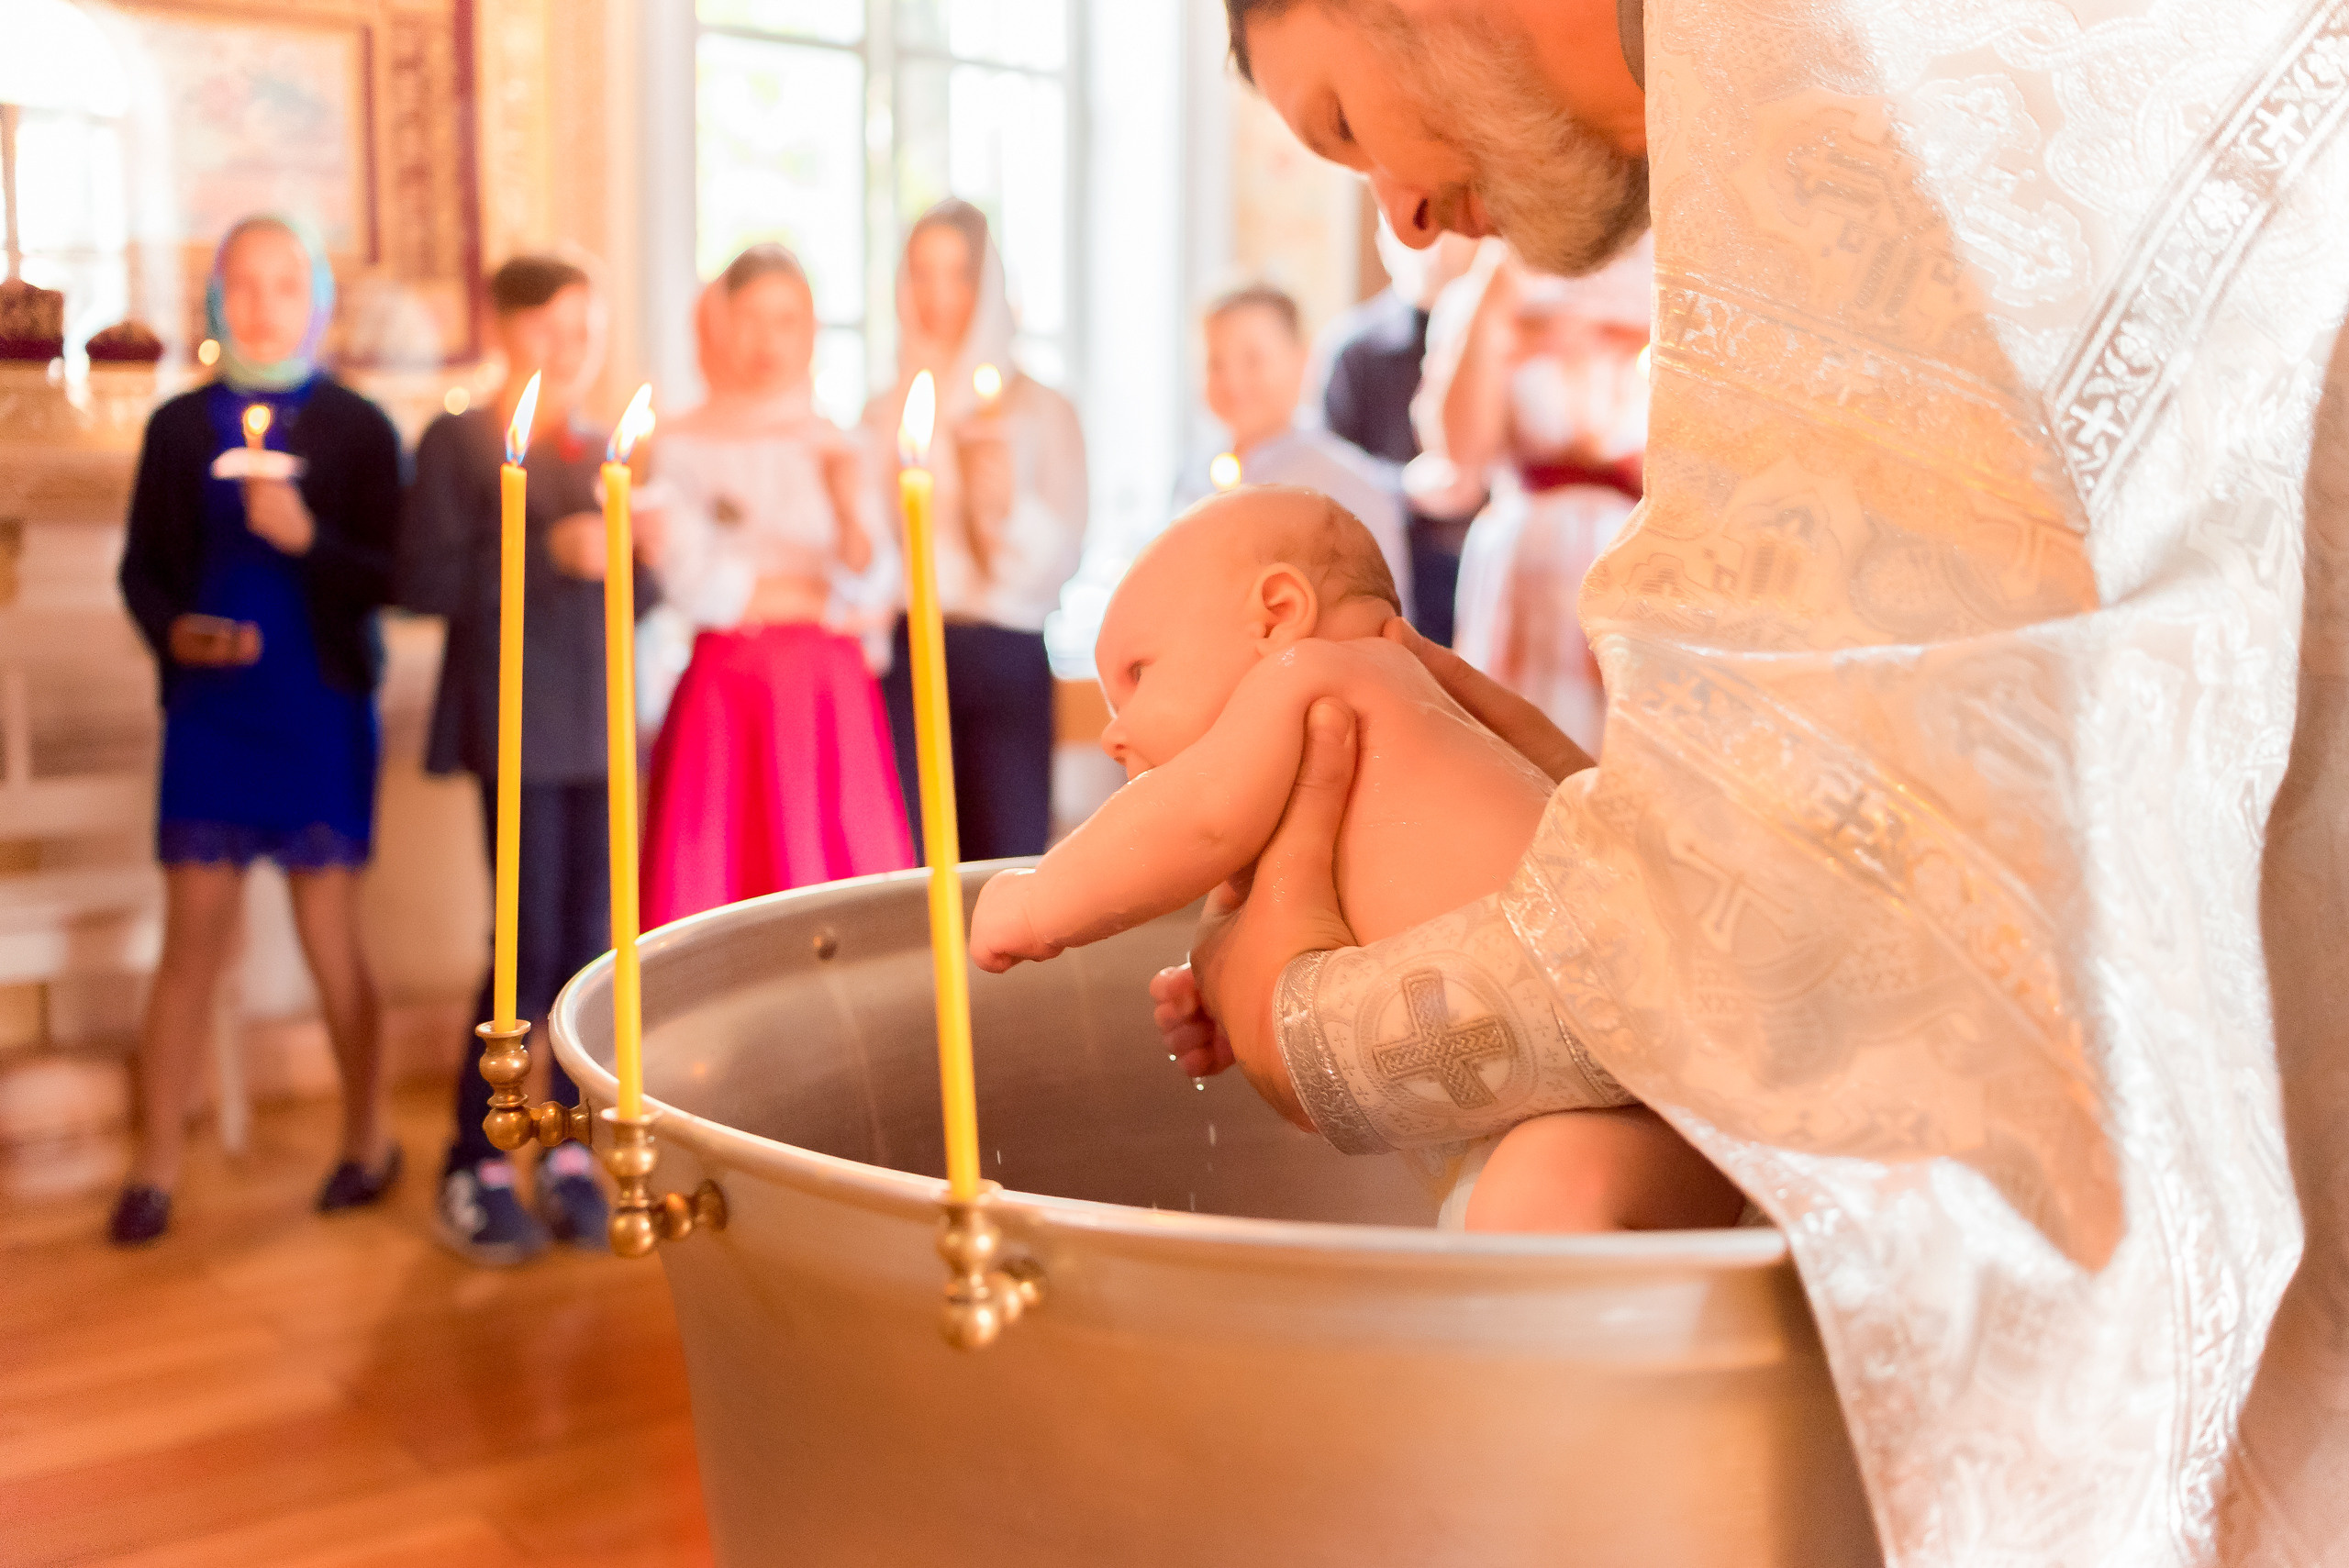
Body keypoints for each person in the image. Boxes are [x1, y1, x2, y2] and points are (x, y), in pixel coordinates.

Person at [1178, 1, 2349, 1560]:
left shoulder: (1812, 64)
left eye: (1342, 122)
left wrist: (1302, 1022)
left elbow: (1799, 887)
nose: (1398, 213)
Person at [968, 486, 1742, 1232]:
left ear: (1276, 616)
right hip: (1632, 1107)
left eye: (1138, 675)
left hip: (1612, 1056)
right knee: (1530, 1213)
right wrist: (1227, 996)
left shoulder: (1313, 677)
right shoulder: (1430, 721)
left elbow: (1191, 821)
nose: (1114, 731)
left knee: (1525, 1223)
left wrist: (1039, 902)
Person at [109, 216, 401, 1247]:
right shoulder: (179, 428)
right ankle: (154, 1164)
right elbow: (142, 573)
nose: (268, 302)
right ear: (218, 298)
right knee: (190, 940)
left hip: (316, 709)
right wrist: (175, 631)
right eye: (247, 283)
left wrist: (305, 536)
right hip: (212, 716)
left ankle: (368, 1136)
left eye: (287, 282)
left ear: (315, 296)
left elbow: (390, 576)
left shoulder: (361, 428)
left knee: (331, 936)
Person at [400, 254, 658, 1265]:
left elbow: (636, 598)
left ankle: (563, 1150)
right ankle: (475, 1153)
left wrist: (637, 550)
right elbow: (420, 576)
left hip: (598, 730)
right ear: (506, 328)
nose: (573, 349)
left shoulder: (603, 448)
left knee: (587, 942)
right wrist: (548, 551)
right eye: (553, 328)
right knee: (519, 946)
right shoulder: (463, 442)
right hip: (514, 727)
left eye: (587, 330)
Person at [640, 245, 913, 925]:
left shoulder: (839, 443)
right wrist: (815, 596)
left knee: (838, 897)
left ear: (811, 330)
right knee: (720, 901)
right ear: (723, 323)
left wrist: (847, 504)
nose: (768, 339)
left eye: (787, 320)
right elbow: (697, 585)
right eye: (752, 317)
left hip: (830, 696)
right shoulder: (680, 445)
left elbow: (876, 581)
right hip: (726, 693)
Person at [866, 199, 1087, 861]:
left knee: (1003, 860)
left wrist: (1002, 506)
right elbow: (873, 554)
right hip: (910, 651)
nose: (938, 296)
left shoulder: (1045, 412)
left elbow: (1061, 561)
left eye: (956, 275)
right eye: (922, 274)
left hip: (1006, 653)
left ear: (986, 285)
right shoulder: (883, 414)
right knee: (914, 859)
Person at [1426, 238, 1651, 756]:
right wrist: (1492, 298)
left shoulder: (1669, 277)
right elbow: (1461, 453)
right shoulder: (1507, 279)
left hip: (1637, 550)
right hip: (1528, 554)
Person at [1171, 284, 1412, 617]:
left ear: (1302, 361)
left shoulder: (1347, 485)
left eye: (1253, 360)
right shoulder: (1192, 474)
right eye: (1215, 363)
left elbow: (1386, 622)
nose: (1233, 381)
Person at [1318, 226, 1480, 644]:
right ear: (1383, 244)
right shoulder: (1354, 350)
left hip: (1485, 558)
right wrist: (1405, 486)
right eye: (1417, 234)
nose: (1435, 249)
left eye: (1450, 230)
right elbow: (1324, 470)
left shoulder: (1503, 335)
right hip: (1392, 569)